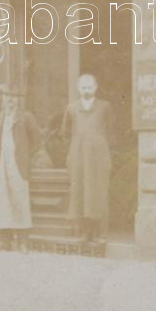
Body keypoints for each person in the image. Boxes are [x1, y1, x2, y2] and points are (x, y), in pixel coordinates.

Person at [62, 73, 112, 243]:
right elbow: (65, 132)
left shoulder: (104, 106)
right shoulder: (71, 108)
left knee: (98, 192)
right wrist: (77, 147)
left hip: (98, 157)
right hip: (78, 157)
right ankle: (86, 232)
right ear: (78, 88)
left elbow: (111, 131)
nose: (86, 90)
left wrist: (99, 145)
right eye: (83, 87)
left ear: (95, 87)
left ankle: (101, 233)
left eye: (89, 87)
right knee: (80, 192)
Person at [0, 88, 40, 253]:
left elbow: (36, 142)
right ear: (2, 98)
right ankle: (4, 241)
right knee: (1, 200)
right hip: (0, 165)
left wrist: (23, 156)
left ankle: (23, 242)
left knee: (20, 200)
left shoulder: (26, 117)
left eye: (13, 96)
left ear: (18, 99)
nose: (10, 100)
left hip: (18, 166)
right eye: (7, 96)